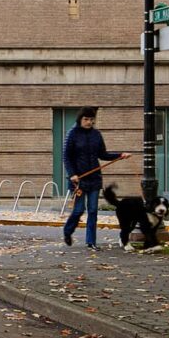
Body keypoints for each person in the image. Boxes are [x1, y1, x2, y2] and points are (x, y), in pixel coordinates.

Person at [62, 106, 130, 249]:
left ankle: (91, 242)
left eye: (91, 119)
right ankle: (67, 232)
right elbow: (66, 157)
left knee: (93, 210)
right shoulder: (72, 134)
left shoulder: (96, 135)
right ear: (80, 119)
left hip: (94, 178)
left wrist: (120, 156)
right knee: (78, 210)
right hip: (78, 180)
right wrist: (72, 174)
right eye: (86, 119)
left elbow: (103, 154)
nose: (89, 122)